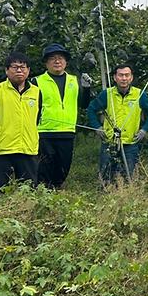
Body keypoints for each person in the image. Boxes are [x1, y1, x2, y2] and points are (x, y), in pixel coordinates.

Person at [32, 43, 93, 189]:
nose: (57, 61)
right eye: (52, 58)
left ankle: (55, 191)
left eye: (60, 58)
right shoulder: (36, 81)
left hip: (67, 132)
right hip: (45, 132)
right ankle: (43, 194)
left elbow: (84, 104)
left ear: (66, 62)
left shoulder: (74, 80)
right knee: (44, 168)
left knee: (63, 167)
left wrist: (86, 88)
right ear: (46, 62)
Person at [87, 63, 148, 184]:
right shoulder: (107, 94)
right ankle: (105, 197)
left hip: (130, 142)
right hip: (110, 142)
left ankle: (126, 198)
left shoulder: (139, 94)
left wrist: (144, 130)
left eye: (126, 75)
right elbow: (91, 110)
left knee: (129, 177)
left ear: (131, 78)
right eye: (120, 75)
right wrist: (97, 127)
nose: (124, 78)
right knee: (106, 175)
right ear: (115, 77)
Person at [0, 52, 42, 192]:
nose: (19, 70)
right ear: (7, 70)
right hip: (0, 150)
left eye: (23, 67)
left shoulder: (36, 92)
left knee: (28, 191)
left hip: (27, 149)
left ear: (28, 70)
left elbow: (36, 118)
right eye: (15, 67)